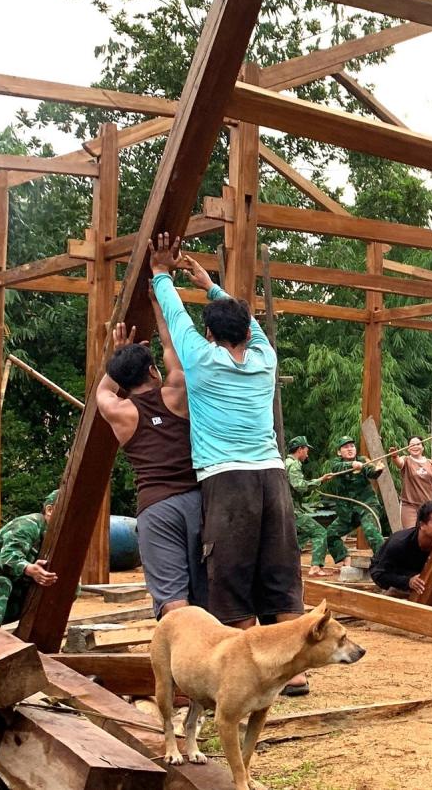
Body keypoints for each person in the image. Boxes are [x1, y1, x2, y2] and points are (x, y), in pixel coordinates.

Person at [148, 234, 306, 694]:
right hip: (272, 478)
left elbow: (175, 319)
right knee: (280, 570)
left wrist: (161, 273)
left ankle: (248, 673)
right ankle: (293, 670)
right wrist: (209, 284)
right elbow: (248, 323)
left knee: (231, 574)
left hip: (227, 478)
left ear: (212, 335)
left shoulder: (200, 359)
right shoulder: (264, 358)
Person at [95, 305, 206, 619]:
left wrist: (118, 356)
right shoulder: (177, 393)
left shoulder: (120, 412)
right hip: (199, 502)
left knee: (172, 598)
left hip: (156, 509)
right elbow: (172, 346)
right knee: (207, 593)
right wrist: (157, 303)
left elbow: (102, 390)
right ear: (153, 371)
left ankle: (181, 663)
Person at [0, 491, 59, 625]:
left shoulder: (53, 536)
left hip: (0, 592)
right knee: (0, 583)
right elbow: (8, 558)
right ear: (49, 510)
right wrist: (30, 569)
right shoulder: (28, 524)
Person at [325, 437, 386, 556]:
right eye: (346, 447)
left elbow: (371, 472)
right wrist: (352, 464)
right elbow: (338, 468)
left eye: (352, 446)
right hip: (348, 512)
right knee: (331, 534)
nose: (350, 449)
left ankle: (383, 561)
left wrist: (378, 470)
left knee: (370, 530)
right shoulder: (335, 463)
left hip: (367, 507)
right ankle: (344, 558)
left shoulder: (363, 460)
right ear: (339, 452)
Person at [284, 436, 332, 578]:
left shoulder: (285, 463)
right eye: (306, 450)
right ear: (300, 450)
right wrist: (319, 480)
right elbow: (299, 486)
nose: (307, 454)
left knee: (302, 535)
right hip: (291, 509)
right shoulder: (294, 465)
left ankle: (287, 564)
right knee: (320, 532)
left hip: (287, 508)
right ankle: (316, 567)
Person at [390, 437, 432, 529]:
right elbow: (399, 463)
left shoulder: (431, 463)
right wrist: (395, 456)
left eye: (418, 444)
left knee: (427, 534)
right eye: (412, 445)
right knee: (411, 534)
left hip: (427, 506)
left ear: (423, 447)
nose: (415, 447)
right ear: (408, 448)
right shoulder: (406, 460)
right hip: (409, 506)